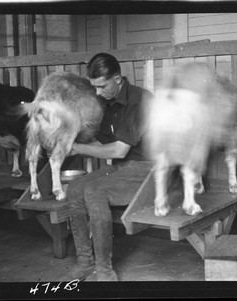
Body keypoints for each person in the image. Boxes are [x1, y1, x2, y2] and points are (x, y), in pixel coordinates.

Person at [64, 53, 153, 281]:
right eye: (94, 87)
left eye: (102, 86)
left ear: (118, 79)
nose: (97, 92)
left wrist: (77, 149)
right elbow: (101, 143)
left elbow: (118, 150)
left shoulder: (140, 100)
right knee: (74, 189)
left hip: (149, 170)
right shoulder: (109, 103)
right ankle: (85, 263)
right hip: (124, 168)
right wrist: (67, 140)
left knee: (96, 191)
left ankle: (105, 271)